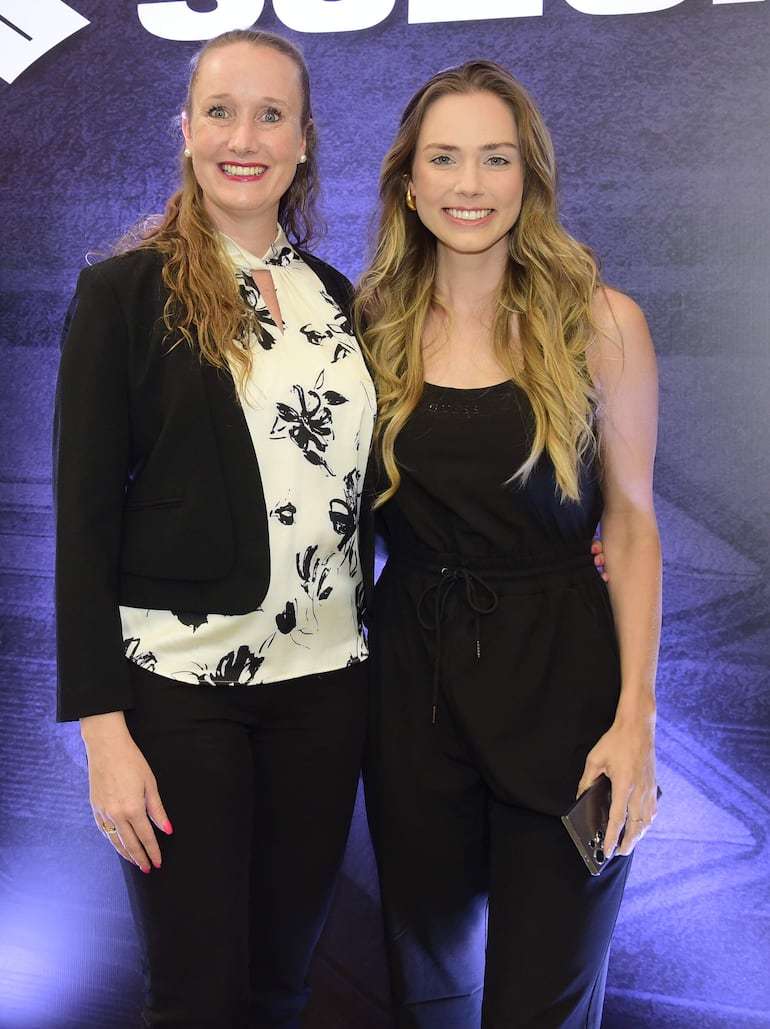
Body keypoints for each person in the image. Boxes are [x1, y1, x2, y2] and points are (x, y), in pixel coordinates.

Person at [53, 30, 377, 1028]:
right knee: (198, 994)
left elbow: (357, 482)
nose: (245, 136)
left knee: (281, 983)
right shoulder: (122, 294)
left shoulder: (336, 298)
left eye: (271, 114)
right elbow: (82, 519)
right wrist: (104, 733)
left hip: (326, 692)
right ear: (186, 130)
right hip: (181, 693)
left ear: (305, 141)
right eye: (222, 111)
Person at [355, 61, 661, 1028]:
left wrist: (636, 721)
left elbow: (634, 521)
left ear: (529, 176)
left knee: (545, 1004)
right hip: (414, 692)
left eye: (495, 158)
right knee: (431, 995)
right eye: (444, 159)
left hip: (567, 693)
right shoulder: (370, 329)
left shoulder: (603, 323)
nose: (469, 185)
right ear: (410, 182)